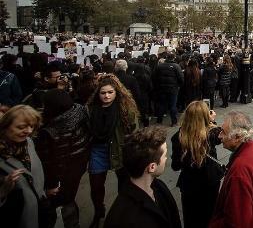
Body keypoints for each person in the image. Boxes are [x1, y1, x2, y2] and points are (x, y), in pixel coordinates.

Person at [87, 74, 139, 228]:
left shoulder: (125, 109)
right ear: (98, 93)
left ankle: (121, 213)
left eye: (110, 92)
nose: (107, 96)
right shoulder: (90, 109)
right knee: (96, 186)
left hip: (120, 149)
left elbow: (134, 132)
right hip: (98, 150)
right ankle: (98, 211)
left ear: (116, 92)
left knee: (123, 186)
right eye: (103, 93)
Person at [104, 126, 182, 228]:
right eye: (165, 155)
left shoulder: (159, 187)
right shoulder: (124, 219)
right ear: (152, 167)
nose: (167, 158)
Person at [34, 89, 91, 228]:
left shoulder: (53, 130)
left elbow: (53, 161)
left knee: (60, 206)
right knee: (68, 200)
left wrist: (52, 184)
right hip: (78, 166)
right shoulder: (79, 112)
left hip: (61, 175)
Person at [209, 111, 253, 228]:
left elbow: (236, 222)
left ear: (237, 137)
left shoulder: (240, 170)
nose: (219, 136)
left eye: (223, 132)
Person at [171, 101, 223, 228]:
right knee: (209, 214)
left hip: (189, 183)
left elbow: (175, 166)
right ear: (206, 116)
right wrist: (212, 122)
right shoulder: (212, 133)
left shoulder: (178, 136)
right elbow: (219, 138)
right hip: (210, 180)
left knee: (191, 216)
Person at [0, 105, 45, 228]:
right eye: (21, 127)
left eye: (32, 126)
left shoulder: (28, 142)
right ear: (5, 127)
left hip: (38, 210)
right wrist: (4, 189)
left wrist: (43, 192)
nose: (29, 131)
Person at [153, 53, 183, 126]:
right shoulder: (176, 66)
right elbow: (181, 78)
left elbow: (154, 77)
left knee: (161, 105)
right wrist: (179, 86)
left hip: (161, 88)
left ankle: (159, 121)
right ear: (174, 58)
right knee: (173, 105)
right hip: (173, 89)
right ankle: (174, 122)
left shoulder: (159, 66)